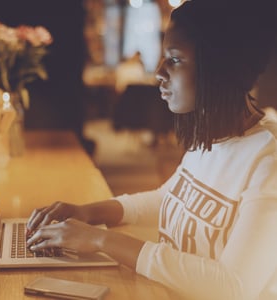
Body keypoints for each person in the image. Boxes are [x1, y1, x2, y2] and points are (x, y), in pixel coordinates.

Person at [26, 0, 277, 299]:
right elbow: (168, 199)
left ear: (219, 69)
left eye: (175, 59)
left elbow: (234, 287)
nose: (159, 72)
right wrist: (87, 212)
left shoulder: (267, 161)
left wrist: (101, 241)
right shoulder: (212, 137)